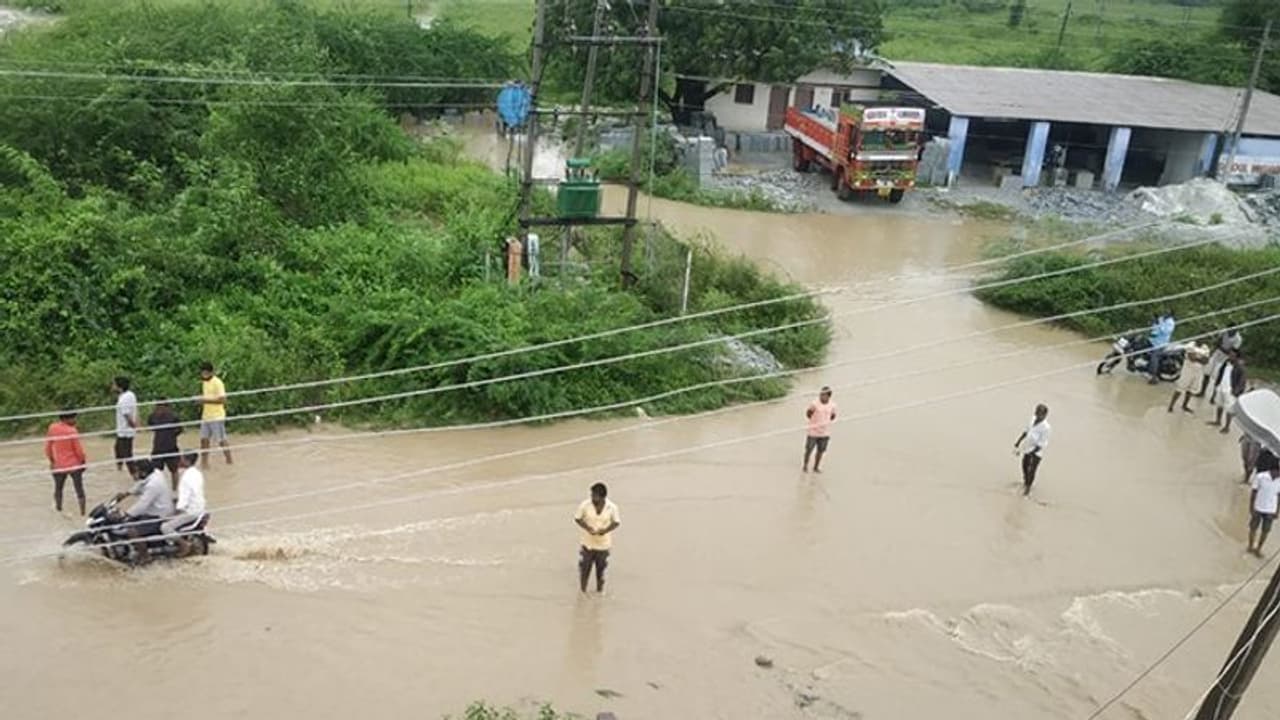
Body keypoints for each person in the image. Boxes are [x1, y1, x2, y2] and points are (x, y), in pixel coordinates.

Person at [119, 459, 175, 561]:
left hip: (158, 515)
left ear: (143, 472)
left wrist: (126, 514)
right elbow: (141, 484)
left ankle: (144, 556)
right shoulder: (155, 473)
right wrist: (126, 493)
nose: (135, 474)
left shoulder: (153, 485)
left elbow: (142, 505)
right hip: (155, 510)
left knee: (132, 531)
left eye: (137, 471)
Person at [574, 482, 620, 594]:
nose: (592, 497)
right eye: (592, 495)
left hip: (603, 545)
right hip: (587, 544)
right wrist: (587, 528)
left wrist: (605, 531)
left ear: (603, 497)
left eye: (595, 496)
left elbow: (616, 522)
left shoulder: (612, 507)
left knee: (601, 572)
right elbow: (577, 518)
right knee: (584, 570)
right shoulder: (585, 505)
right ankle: (582, 591)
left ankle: (599, 592)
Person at [160, 451, 206, 552]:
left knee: (165, 527)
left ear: (187, 461)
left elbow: (183, 503)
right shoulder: (197, 473)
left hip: (190, 512)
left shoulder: (185, 478)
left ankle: (183, 545)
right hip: (200, 508)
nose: (179, 461)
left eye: (181, 459)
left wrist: (173, 513)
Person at [44, 411, 87, 515]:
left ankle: (59, 509)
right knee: (79, 491)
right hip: (74, 465)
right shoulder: (72, 431)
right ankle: (82, 513)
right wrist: (83, 462)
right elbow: (79, 450)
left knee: (58, 489)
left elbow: (48, 447)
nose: (75, 420)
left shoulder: (52, 428)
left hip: (59, 465)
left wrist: (52, 461)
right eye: (73, 418)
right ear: (66, 419)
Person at [1013, 404, 1051, 496]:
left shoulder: (1046, 428)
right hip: (1027, 448)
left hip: (1036, 452)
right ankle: (1026, 482)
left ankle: (1028, 489)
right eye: (1037, 412)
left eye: (1040, 414)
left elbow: (1042, 444)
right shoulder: (1032, 419)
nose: (1038, 415)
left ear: (1045, 415)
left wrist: (1032, 453)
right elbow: (1026, 431)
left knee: (1031, 470)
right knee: (1024, 466)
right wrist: (1018, 442)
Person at [199, 361, 232, 468]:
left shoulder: (218, 382)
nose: (203, 375)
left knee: (221, 440)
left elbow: (223, 400)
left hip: (217, 416)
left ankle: (229, 460)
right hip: (206, 416)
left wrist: (204, 401)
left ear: (211, 372)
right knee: (204, 440)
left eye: (205, 373)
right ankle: (204, 463)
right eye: (202, 373)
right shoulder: (204, 383)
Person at [147, 399, 183, 489]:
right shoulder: (153, 416)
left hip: (171, 447)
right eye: (158, 406)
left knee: (174, 470)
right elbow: (151, 426)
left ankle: (175, 489)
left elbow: (179, 430)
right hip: (158, 448)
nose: (159, 408)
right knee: (156, 471)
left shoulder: (174, 417)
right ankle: (158, 489)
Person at [1247, 457, 1280, 557]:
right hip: (1258, 507)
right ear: (1273, 470)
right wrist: (1251, 507)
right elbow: (1254, 492)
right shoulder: (1260, 477)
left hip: (1271, 509)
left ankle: (1259, 548)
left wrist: (1277, 511)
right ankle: (1250, 546)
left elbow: (1279, 496)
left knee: (1265, 531)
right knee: (1253, 528)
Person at [1208, 351, 1247, 434]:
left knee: (1229, 409)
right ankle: (1218, 421)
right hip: (1221, 387)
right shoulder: (1226, 363)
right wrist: (1217, 385)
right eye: (1229, 355)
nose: (1230, 356)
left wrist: (1236, 392)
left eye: (1232, 355)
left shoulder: (1240, 367)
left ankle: (1227, 427)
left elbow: (1242, 381)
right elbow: (1220, 374)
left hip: (1230, 390)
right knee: (1219, 405)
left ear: (1237, 357)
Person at [803, 386, 838, 473]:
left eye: (824, 395)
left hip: (825, 432)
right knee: (809, 449)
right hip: (813, 431)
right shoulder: (814, 404)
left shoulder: (833, 405)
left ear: (828, 396)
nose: (821, 396)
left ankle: (816, 467)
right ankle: (805, 465)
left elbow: (833, 416)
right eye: (821, 394)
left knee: (821, 451)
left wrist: (825, 423)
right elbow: (808, 413)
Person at [1202, 327, 1243, 399]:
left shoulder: (1238, 339)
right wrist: (1212, 352)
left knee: (1218, 377)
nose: (1230, 332)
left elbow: (1232, 351)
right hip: (1216, 354)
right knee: (1207, 373)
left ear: (1236, 331)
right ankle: (1202, 391)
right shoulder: (1224, 332)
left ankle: (1213, 396)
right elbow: (1217, 342)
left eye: (1232, 331)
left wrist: (1220, 347)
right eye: (1229, 330)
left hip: (1225, 358)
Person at [1168, 343, 1208, 414]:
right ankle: (1171, 405)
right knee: (1180, 388)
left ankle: (1185, 405)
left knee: (1191, 390)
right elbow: (1191, 358)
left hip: (1197, 372)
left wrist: (1197, 358)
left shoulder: (1205, 348)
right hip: (1187, 371)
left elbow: (1205, 361)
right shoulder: (1191, 345)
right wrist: (1200, 359)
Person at [112, 375, 139, 473]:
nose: (112, 386)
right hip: (124, 430)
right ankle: (120, 470)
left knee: (127, 454)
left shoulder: (124, 399)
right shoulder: (130, 395)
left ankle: (135, 474)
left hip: (125, 431)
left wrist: (132, 424)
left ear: (119, 386)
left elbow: (127, 414)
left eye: (114, 384)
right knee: (118, 449)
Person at [1146, 311, 1176, 385]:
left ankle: (1154, 377)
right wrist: (1153, 323)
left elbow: (1165, 331)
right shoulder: (1161, 318)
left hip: (1160, 343)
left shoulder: (1171, 323)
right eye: (1165, 311)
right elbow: (1154, 327)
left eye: (1167, 312)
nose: (1165, 312)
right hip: (1152, 339)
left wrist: (1158, 323)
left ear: (1171, 314)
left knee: (1154, 357)